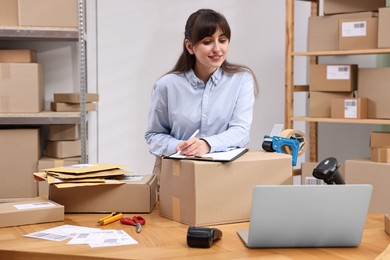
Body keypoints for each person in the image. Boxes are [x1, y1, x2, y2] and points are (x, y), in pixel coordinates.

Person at [145, 9, 259, 186]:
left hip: (222, 175)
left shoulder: (242, 80)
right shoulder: (167, 85)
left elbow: (240, 132)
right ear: (190, 46)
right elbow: (154, 135)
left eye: (222, 40)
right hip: (176, 174)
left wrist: (207, 144)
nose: (217, 49)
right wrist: (179, 146)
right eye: (207, 42)